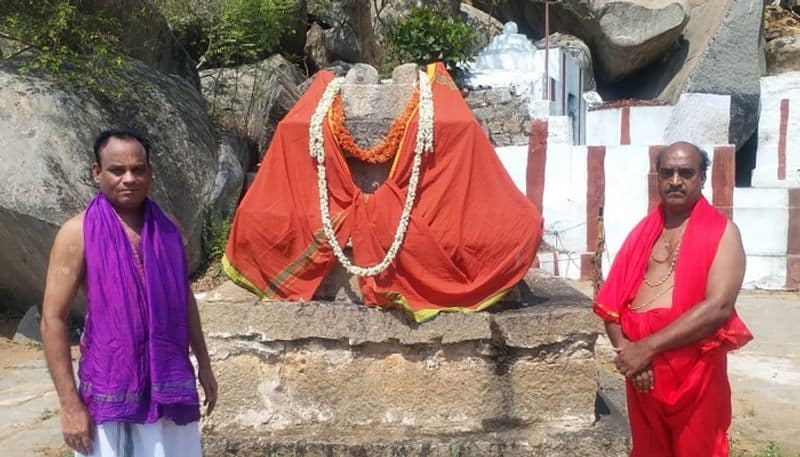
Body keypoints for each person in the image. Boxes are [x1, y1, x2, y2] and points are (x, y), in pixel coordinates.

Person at [40, 128, 218, 457]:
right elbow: (53, 320)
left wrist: (204, 364)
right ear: (97, 173)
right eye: (117, 170)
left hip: (169, 385)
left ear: (149, 172)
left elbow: (184, 300)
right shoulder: (76, 233)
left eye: (138, 169)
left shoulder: (168, 229)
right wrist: (69, 404)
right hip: (110, 390)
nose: (129, 178)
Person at [594, 141, 752, 457]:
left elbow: (717, 308)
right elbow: (611, 303)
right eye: (667, 172)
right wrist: (630, 355)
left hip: (695, 378)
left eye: (686, 173)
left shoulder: (723, 233)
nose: (675, 180)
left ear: (703, 178)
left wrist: (646, 348)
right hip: (642, 377)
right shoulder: (642, 233)